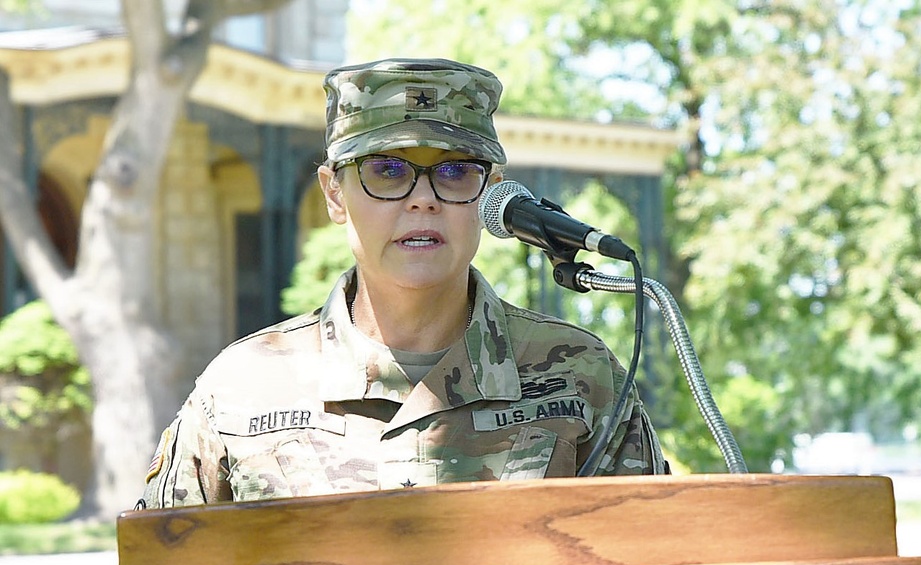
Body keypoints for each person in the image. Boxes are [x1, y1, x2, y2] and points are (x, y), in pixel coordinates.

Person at [141, 57, 666, 508]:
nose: (423, 199)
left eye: (456, 171)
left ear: (490, 195)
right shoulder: (240, 389)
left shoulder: (581, 377)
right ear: (334, 194)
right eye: (387, 170)